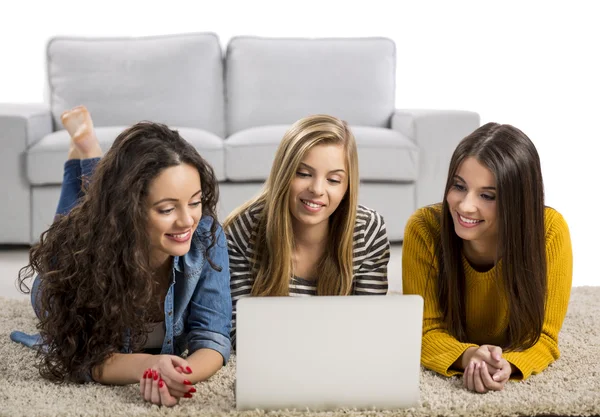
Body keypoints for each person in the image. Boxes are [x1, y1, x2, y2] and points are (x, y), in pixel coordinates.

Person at [10, 106, 232, 406]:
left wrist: (180, 376)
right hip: (63, 270)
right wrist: (149, 366)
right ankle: (86, 149)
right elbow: (84, 357)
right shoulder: (80, 258)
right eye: (167, 209)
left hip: (108, 218)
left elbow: (213, 337)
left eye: (195, 202)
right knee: (71, 221)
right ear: (129, 211)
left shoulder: (206, 236)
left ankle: (86, 149)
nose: (187, 221)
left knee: (91, 203)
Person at [402, 122, 572, 393]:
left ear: (517, 200)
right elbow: (425, 332)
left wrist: (510, 364)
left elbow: (545, 338)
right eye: (459, 186)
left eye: (487, 195)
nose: (466, 205)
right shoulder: (424, 228)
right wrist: (469, 357)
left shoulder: (549, 230)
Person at [224, 114, 390, 347]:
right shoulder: (243, 230)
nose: (317, 189)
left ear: (347, 186)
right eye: (303, 174)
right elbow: (236, 329)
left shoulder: (368, 231)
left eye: (333, 179)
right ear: (284, 173)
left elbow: (369, 326)